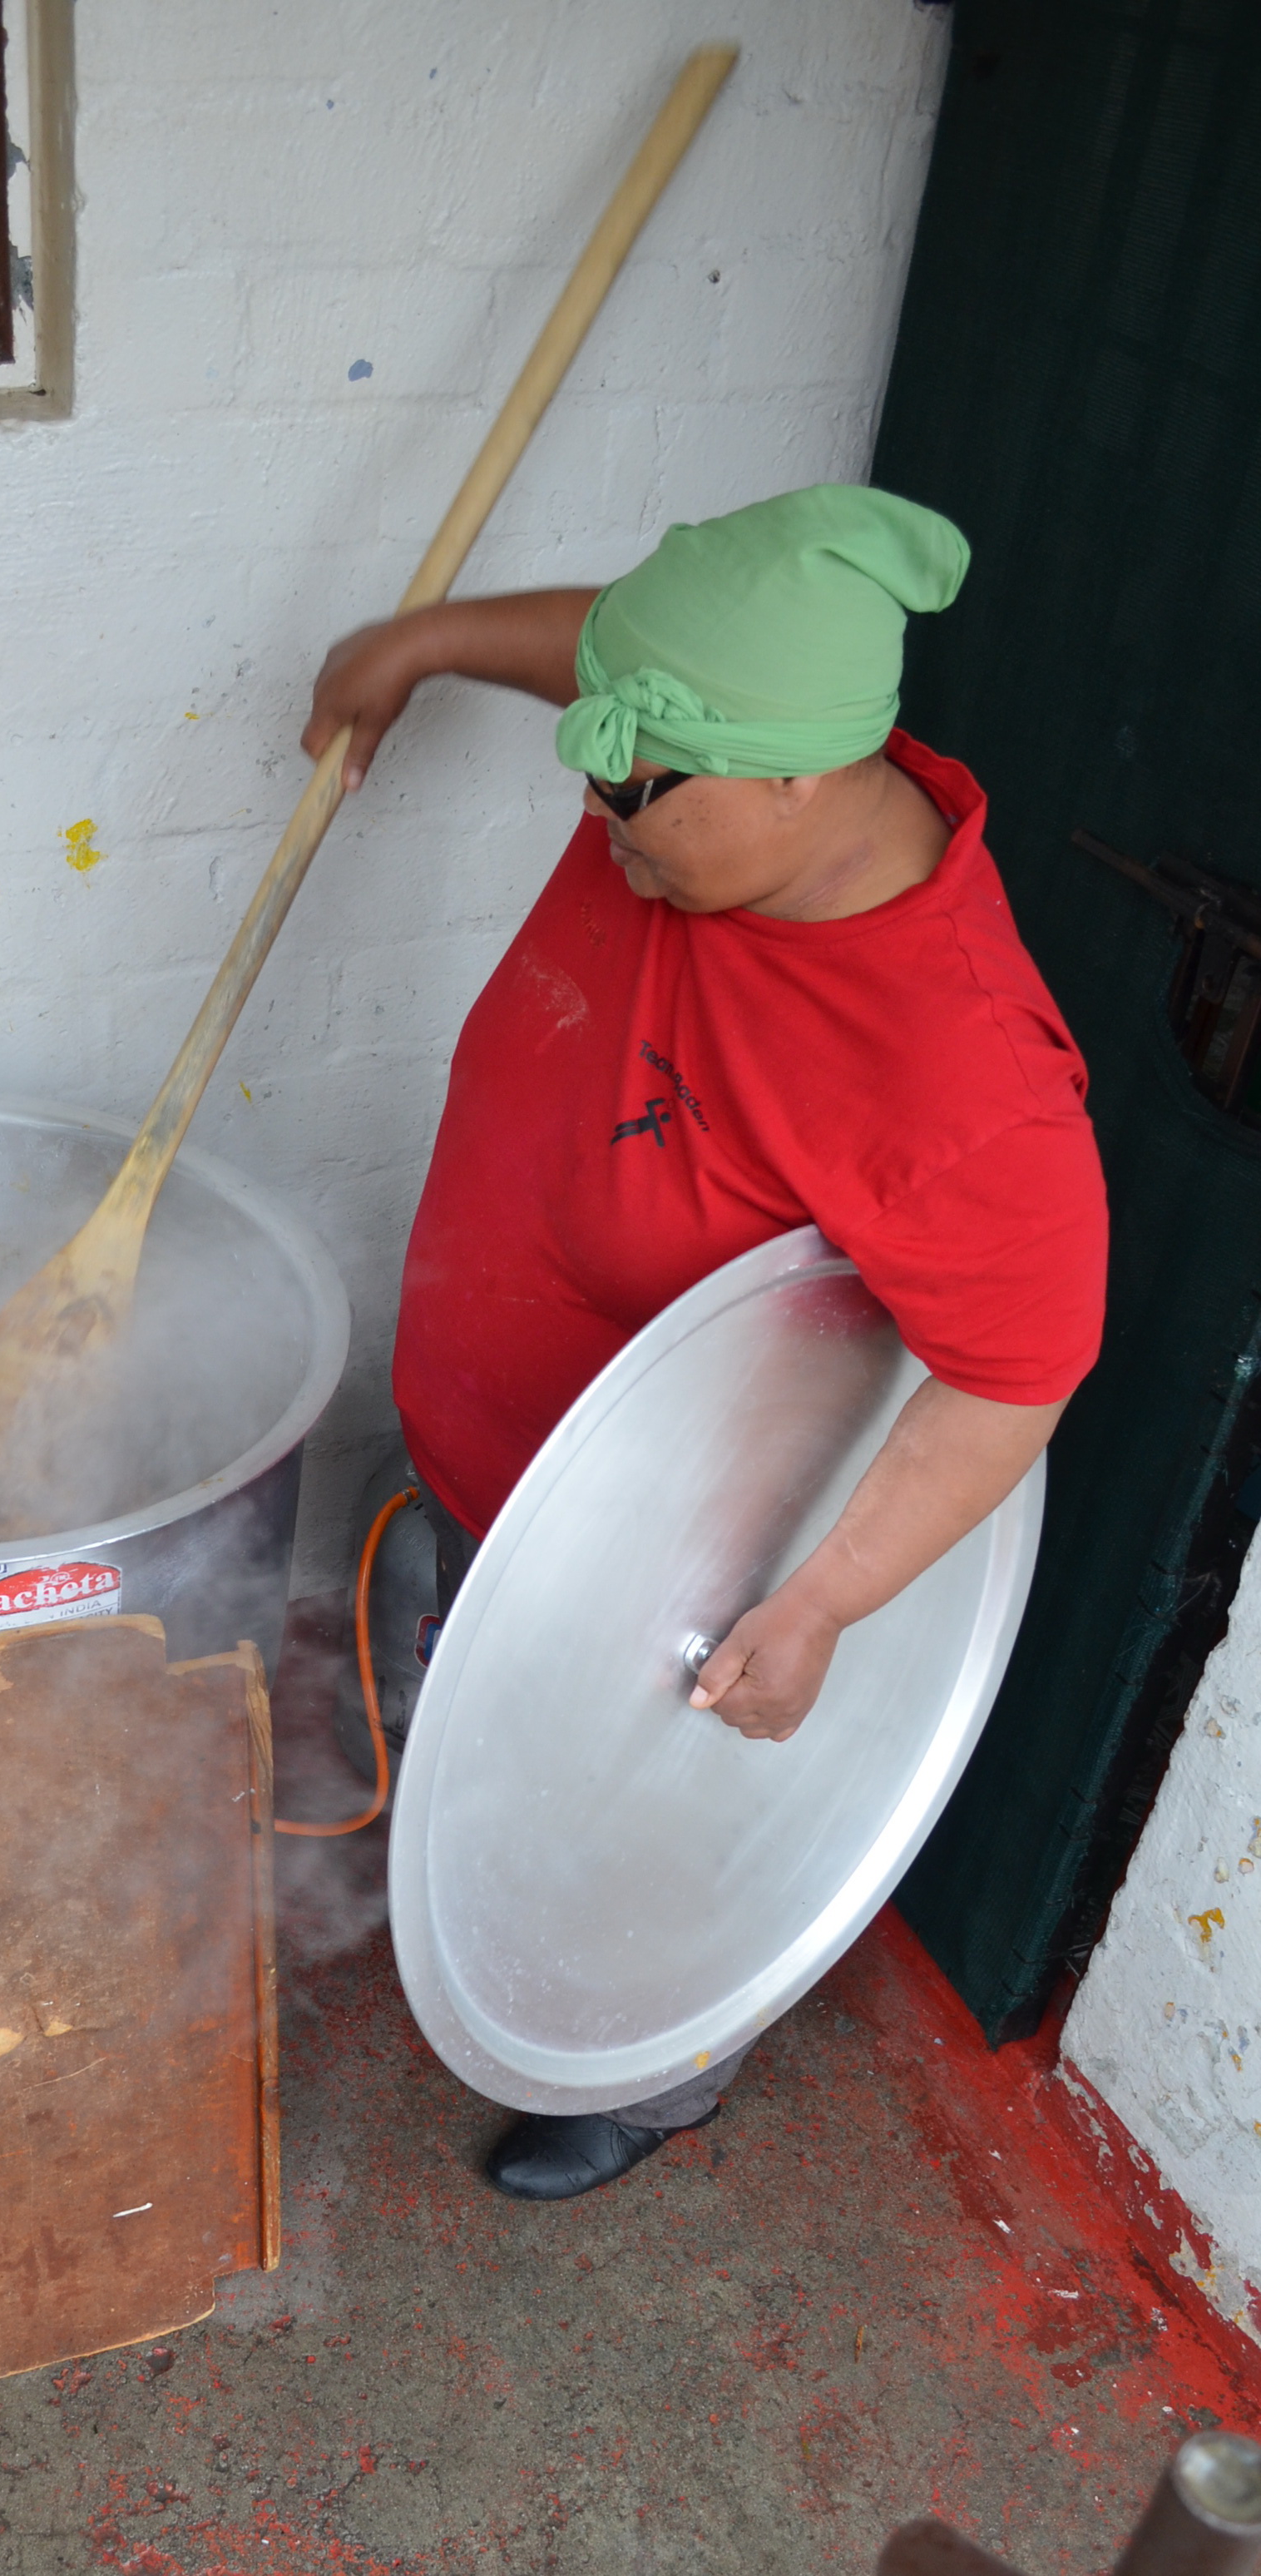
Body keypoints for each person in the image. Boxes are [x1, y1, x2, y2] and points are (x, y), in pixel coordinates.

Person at [303, 485, 1107, 2203]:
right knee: (488, 1723)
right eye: (596, 757)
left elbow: (1016, 1375)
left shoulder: (958, 1082)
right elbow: (612, 655)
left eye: (635, 781)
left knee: (638, 1829)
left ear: (807, 770)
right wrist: (432, 643)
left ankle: (650, 2071)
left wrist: (815, 1612)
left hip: (674, 1561)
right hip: (509, 1463)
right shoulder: (713, 775)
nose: (600, 814)